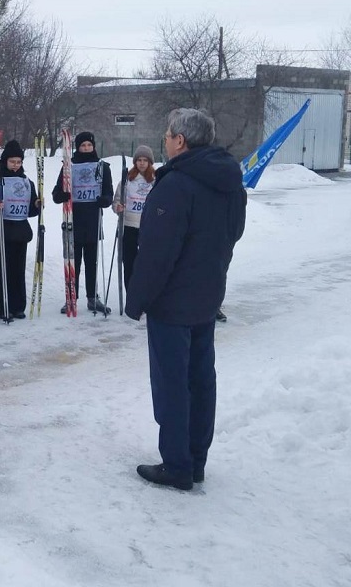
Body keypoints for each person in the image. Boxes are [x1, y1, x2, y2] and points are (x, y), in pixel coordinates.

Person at [126, 108, 246, 490]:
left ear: (181, 140)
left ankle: (177, 464)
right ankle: (195, 460)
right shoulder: (228, 180)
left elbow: (157, 251)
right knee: (200, 378)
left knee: (172, 383)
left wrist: (138, 299)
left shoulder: (177, 183)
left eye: (167, 135)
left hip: (172, 302)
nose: (164, 140)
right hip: (207, 295)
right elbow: (235, 232)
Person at [52, 131, 114, 313]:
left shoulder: (102, 167)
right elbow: (56, 194)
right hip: (73, 220)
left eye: (89, 145)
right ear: (77, 147)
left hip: (93, 220)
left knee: (92, 262)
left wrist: (105, 200)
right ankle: (71, 297)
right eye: (82, 146)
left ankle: (92, 297)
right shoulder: (68, 167)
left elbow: (108, 192)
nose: (86, 148)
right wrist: (62, 195)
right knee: (74, 261)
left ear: (93, 146)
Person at [0, 140, 40, 320]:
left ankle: (17, 305)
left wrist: (37, 205)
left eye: (18, 162)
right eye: (12, 162)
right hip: (1, 229)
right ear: (5, 161)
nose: (15, 165)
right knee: (1, 268)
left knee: (17, 270)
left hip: (20, 230)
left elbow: (31, 210)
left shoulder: (27, 181)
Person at [112, 145, 155, 290]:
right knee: (129, 263)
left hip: (147, 227)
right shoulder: (127, 180)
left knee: (146, 264)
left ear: (150, 162)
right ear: (135, 162)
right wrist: (118, 207)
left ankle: (144, 294)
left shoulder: (155, 181)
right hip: (128, 226)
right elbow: (117, 199)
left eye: (145, 160)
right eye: (139, 160)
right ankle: (130, 294)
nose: (142, 163)